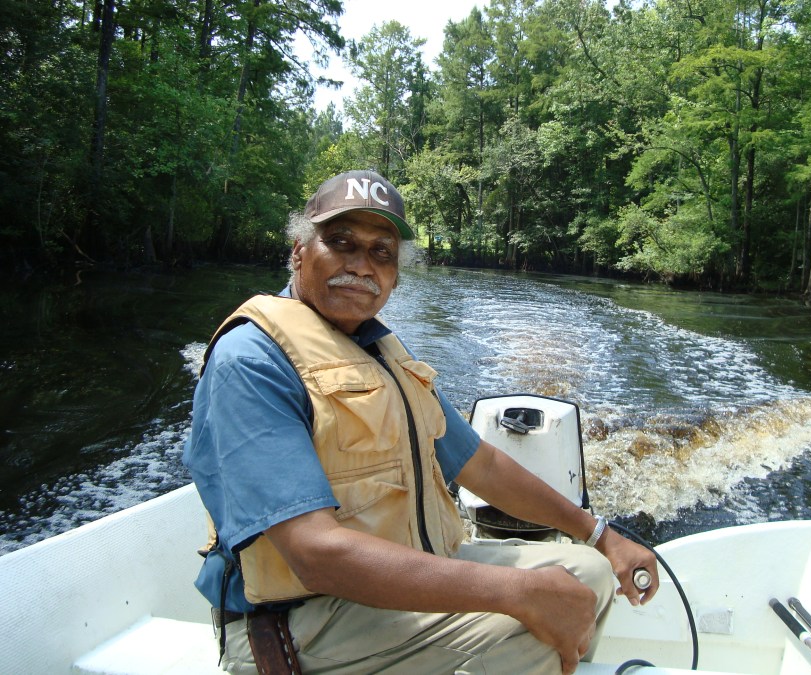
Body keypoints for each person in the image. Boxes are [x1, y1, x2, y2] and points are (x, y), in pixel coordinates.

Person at [183, 169, 658, 675]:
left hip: (393, 585)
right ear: (300, 250)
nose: (360, 265)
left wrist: (600, 534)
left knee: (586, 576)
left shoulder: (381, 351)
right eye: (340, 242)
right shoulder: (252, 359)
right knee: (527, 629)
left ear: (395, 274)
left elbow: (482, 463)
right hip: (299, 622)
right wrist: (516, 592)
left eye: (380, 251)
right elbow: (314, 554)